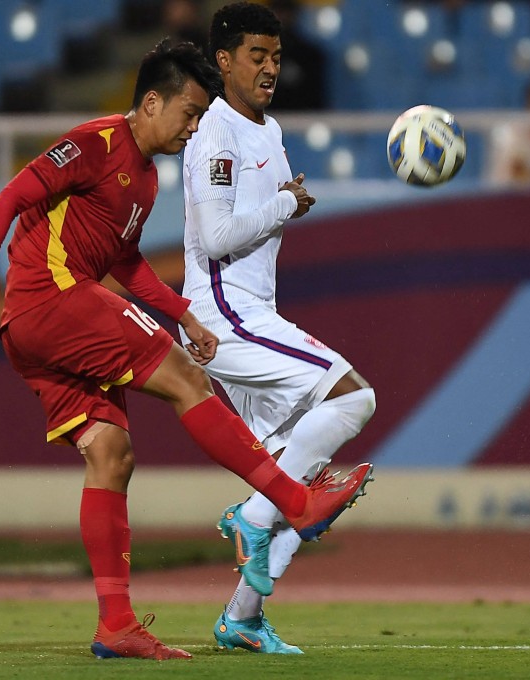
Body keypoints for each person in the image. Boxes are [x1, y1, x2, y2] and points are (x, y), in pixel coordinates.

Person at [0, 39, 373, 661]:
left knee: (112, 455)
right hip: (54, 298)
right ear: (150, 102)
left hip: (35, 328)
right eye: (188, 112)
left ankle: (116, 625)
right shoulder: (98, 142)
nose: (194, 126)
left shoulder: (147, 180)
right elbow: (13, 194)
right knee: (187, 380)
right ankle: (294, 503)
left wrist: (182, 313)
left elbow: (124, 261)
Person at [180, 3, 376, 654]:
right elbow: (216, 235)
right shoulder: (215, 132)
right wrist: (288, 202)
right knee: (353, 397)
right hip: (222, 312)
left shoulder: (268, 128)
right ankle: (254, 518)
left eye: (277, 56)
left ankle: (242, 617)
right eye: (257, 56)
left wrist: (279, 202)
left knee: (298, 477)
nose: (270, 68)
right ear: (225, 61)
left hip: (250, 308)